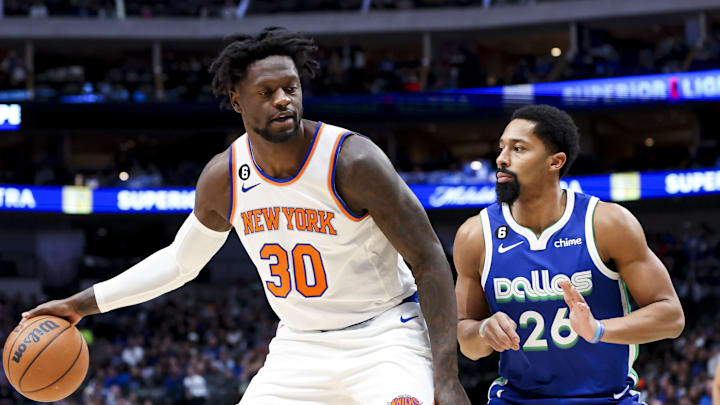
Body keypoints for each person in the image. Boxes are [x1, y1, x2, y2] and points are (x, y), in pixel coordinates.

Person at [22, 28, 470, 405]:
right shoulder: (224, 178)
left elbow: (430, 259)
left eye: (290, 88)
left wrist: (447, 377)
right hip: (300, 345)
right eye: (267, 92)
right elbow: (180, 262)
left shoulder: (352, 161)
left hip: (385, 335)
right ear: (237, 101)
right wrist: (79, 305)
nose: (282, 100)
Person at [453, 104, 684, 404]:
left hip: (607, 398)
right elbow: (466, 341)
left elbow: (671, 316)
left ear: (555, 161)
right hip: (517, 399)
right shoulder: (475, 236)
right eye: (501, 148)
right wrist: (484, 331)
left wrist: (599, 330)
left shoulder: (607, 223)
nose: (501, 159)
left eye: (518, 148)